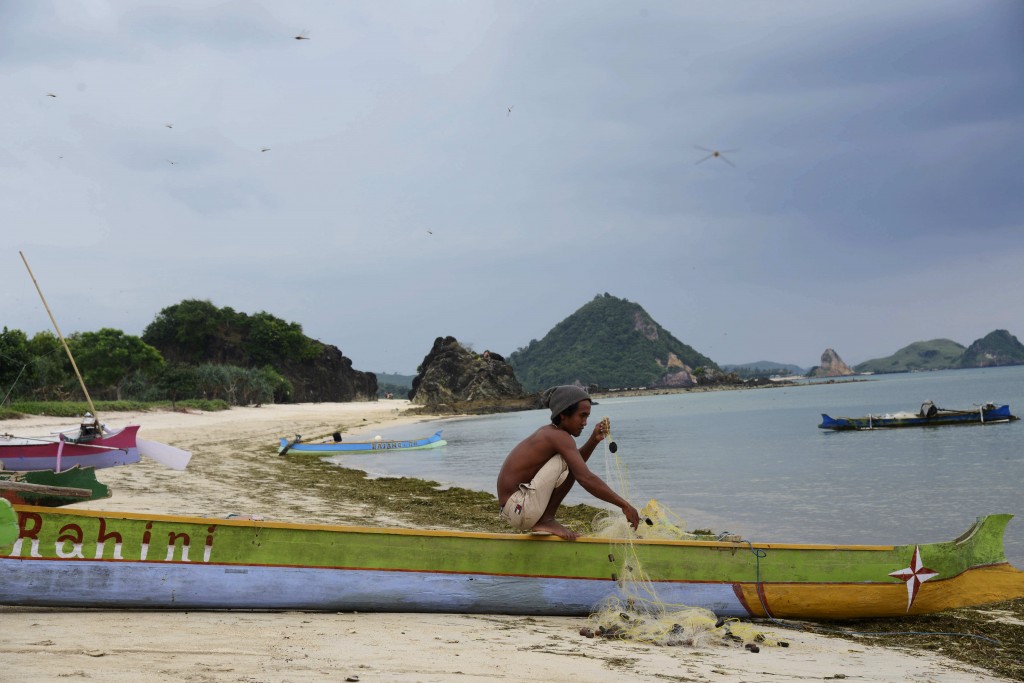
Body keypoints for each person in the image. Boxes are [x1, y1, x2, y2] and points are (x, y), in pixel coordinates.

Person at [497, 385, 641, 540]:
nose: (585, 422)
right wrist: (624, 505)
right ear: (564, 414)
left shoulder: (552, 434)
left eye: (587, 416)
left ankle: (546, 519)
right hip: (519, 509)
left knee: (570, 463)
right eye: (582, 416)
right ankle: (546, 520)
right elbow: (584, 477)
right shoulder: (559, 437)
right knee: (569, 463)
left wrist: (593, 440)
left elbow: (575, 467)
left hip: (516, 510)